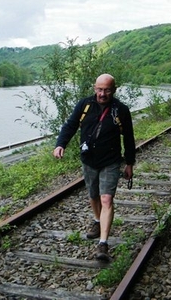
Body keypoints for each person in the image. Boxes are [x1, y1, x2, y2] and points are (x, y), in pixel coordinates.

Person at [53, 73, 135, 261]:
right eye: (99, 89)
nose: (102, 93)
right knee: (93, 195)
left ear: (113, 90)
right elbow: (71, 125)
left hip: (111, 160)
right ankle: (97, 221)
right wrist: (60, 144)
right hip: (89, 159)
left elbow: (128, 138)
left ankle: (103, 244)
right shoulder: (85, 105)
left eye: (107, 90)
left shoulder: (120, 110)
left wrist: (129, 163)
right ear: (94, 88)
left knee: (106, 198)